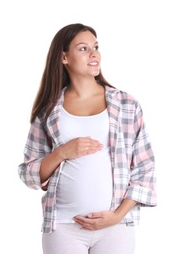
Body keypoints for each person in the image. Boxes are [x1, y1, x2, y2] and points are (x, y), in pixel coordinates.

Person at [18, 23, 157, 254]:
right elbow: (29, 173)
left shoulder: (126, 104)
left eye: (96, 46)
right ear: (64, 57)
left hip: (115, 227)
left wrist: (116, 216)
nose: (94, 53)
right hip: (63, 226)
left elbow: (144, 168)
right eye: (83, 48)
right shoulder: (48, 111)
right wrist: (62, 152)